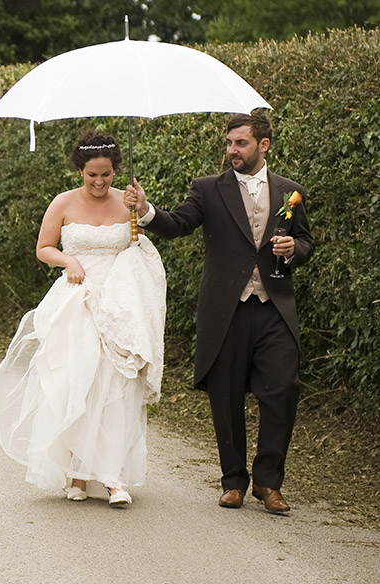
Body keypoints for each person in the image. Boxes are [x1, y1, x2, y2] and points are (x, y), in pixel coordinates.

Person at [124, 112, 314, 513]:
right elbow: (178, 225)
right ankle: (233, 481)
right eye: (228, 143)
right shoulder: (208, 189)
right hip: (226, 308)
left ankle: (268, 482)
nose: (232, 151)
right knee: (225, 396)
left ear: (263, 145)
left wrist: (293, 251)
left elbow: (305, 241)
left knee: (282, 390)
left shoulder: (290, 191)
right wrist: (145, 210)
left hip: (274, 307)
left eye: (240, 143)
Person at [0, 131, 166, 506]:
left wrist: (141, 208)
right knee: (77, 383)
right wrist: (69, 260)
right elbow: (43, 248)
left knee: (117, 387)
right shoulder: (63, 203)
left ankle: (113, 476)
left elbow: (143, 245)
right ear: (80, 171)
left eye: (106, 175)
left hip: (120, 302)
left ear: (116, 170)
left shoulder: (128, 201)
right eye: (92, 176)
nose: (100, 183)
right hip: (77, 298)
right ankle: (77, 474)